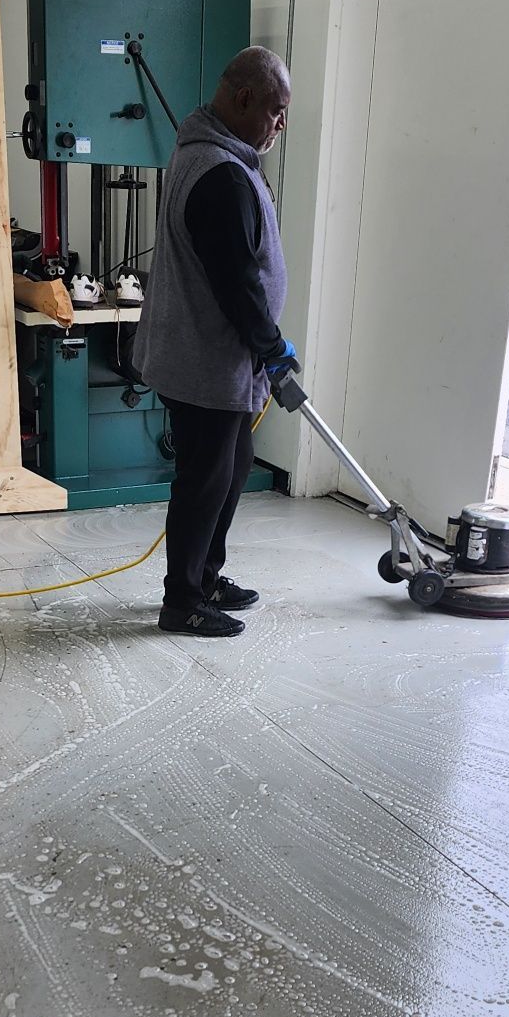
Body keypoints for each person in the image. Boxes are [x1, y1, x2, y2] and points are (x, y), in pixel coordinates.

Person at [133, 46, 295, 637]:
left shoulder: (210, 155)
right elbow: (237, 283)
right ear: (244, 98)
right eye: (276, 112)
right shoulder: (220, 174)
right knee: (205, 479)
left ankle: (204, 575)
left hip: (216, 359)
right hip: (204, 360)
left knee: (232, 467)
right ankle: (183, 601)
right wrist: (271, 344)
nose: (279, 127)